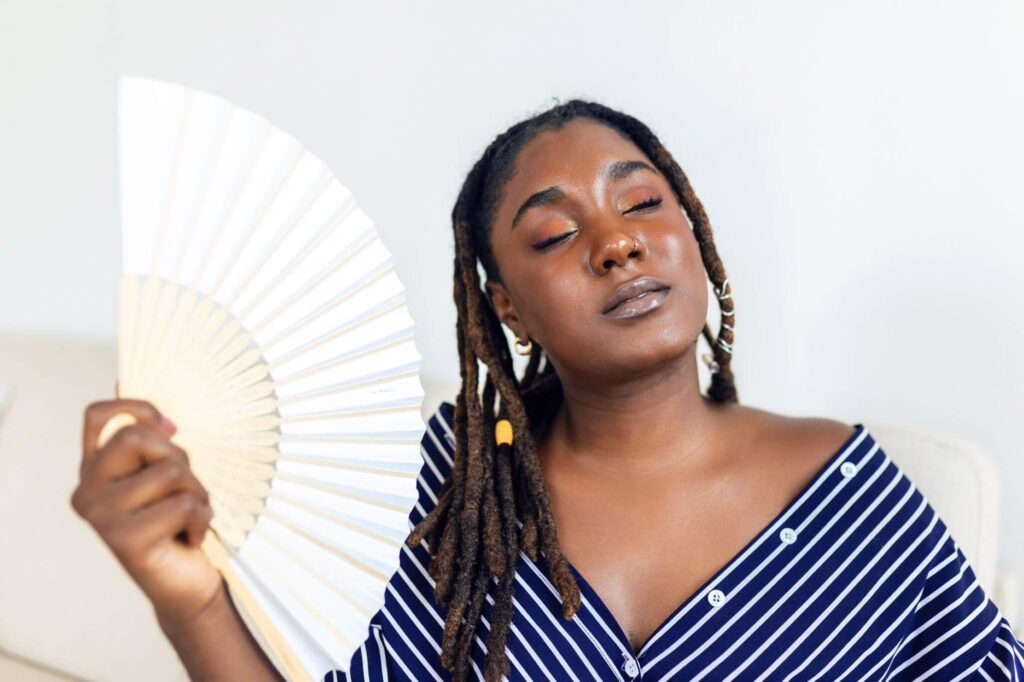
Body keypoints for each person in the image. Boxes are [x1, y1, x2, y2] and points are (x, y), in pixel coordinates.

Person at [72, 99, 1024, 681]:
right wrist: (187, 598)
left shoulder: (849, 491)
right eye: (554, 235)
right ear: (506, 308)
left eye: (643, 201)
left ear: (692, 234)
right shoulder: (439, 491)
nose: (617, 242)